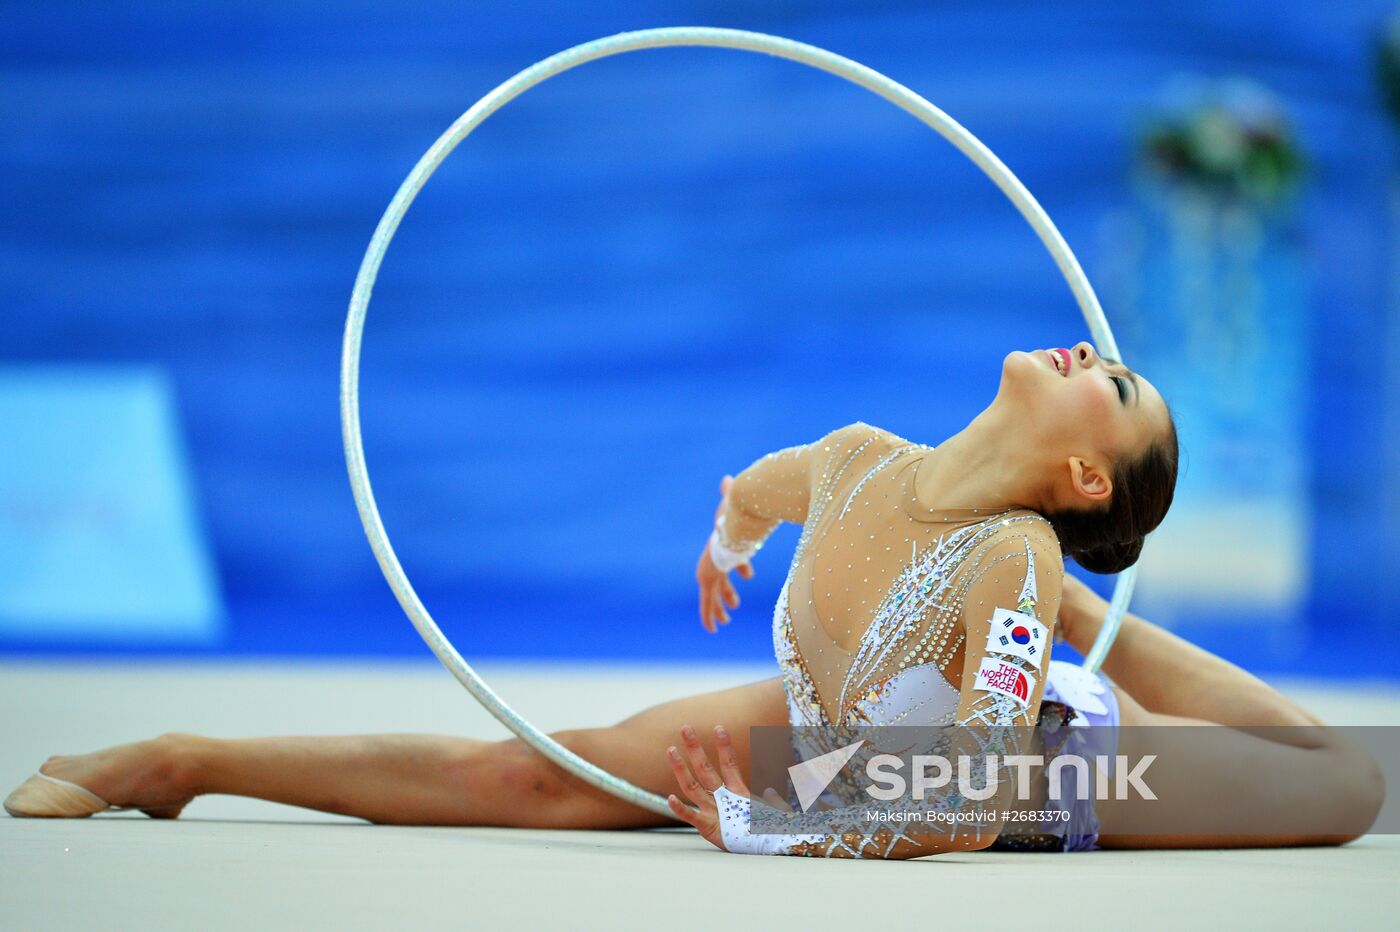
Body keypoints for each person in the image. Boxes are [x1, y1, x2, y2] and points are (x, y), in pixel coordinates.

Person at [6, 343, 1383, 856]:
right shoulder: (854, 461)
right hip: (843, 713)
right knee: (537, 777)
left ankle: (1094, 644)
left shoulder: (1017, 562)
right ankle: (179, 761)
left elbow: (967, 803)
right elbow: (750, 488)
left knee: (1343, 791)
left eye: (1120, 386)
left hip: (1042, 775)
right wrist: (728, 543)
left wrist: (774, 818)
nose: (1100, 351)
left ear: (1086, 470)